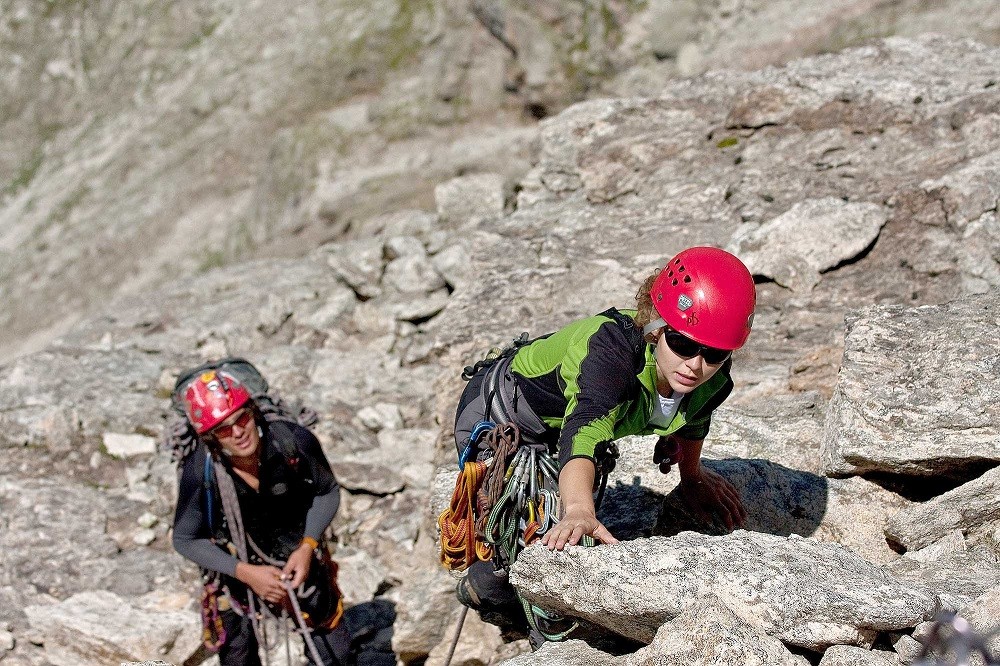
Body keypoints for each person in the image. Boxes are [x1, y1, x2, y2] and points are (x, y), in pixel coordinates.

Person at [451, 246, 755, 638]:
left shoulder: (713, 376)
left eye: (714, 353)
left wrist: (692, 477)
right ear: (655, 328)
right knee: (522, 546)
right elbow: (585, 432)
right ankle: (486, 590)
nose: (695, 365)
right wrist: (578, 509)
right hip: (500, 418)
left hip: (557, 425)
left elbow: (695, 419)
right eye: (682, 344)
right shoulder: (609, 355)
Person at [172, 367, 352, 666]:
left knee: (336, 655)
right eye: (224, 429)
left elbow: (327, 491)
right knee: (237, 659)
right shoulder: (200, 472)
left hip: (301, 558)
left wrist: (307, 546)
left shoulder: (292, 442)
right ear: (210, 438)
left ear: (252, 411)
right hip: (235, 576)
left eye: (242, 418)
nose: (238, 432)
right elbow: (185, 538)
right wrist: (244, 572)